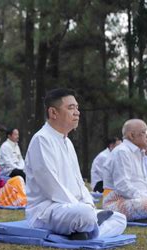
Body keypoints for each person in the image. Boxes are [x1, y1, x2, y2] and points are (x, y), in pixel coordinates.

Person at [25, 88, 126, 239]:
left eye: (77, 108)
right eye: (71, 108)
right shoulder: (42, 139)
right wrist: (82, 208)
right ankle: (89, 229)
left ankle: (88, 233)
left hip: (72, 208)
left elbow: (79, 182)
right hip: (48, 210)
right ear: (53, 113)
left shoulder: (68, 142)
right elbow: (51, 187)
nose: (77, 112)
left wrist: (88, 203)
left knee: (119, 218)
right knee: (84, 214)